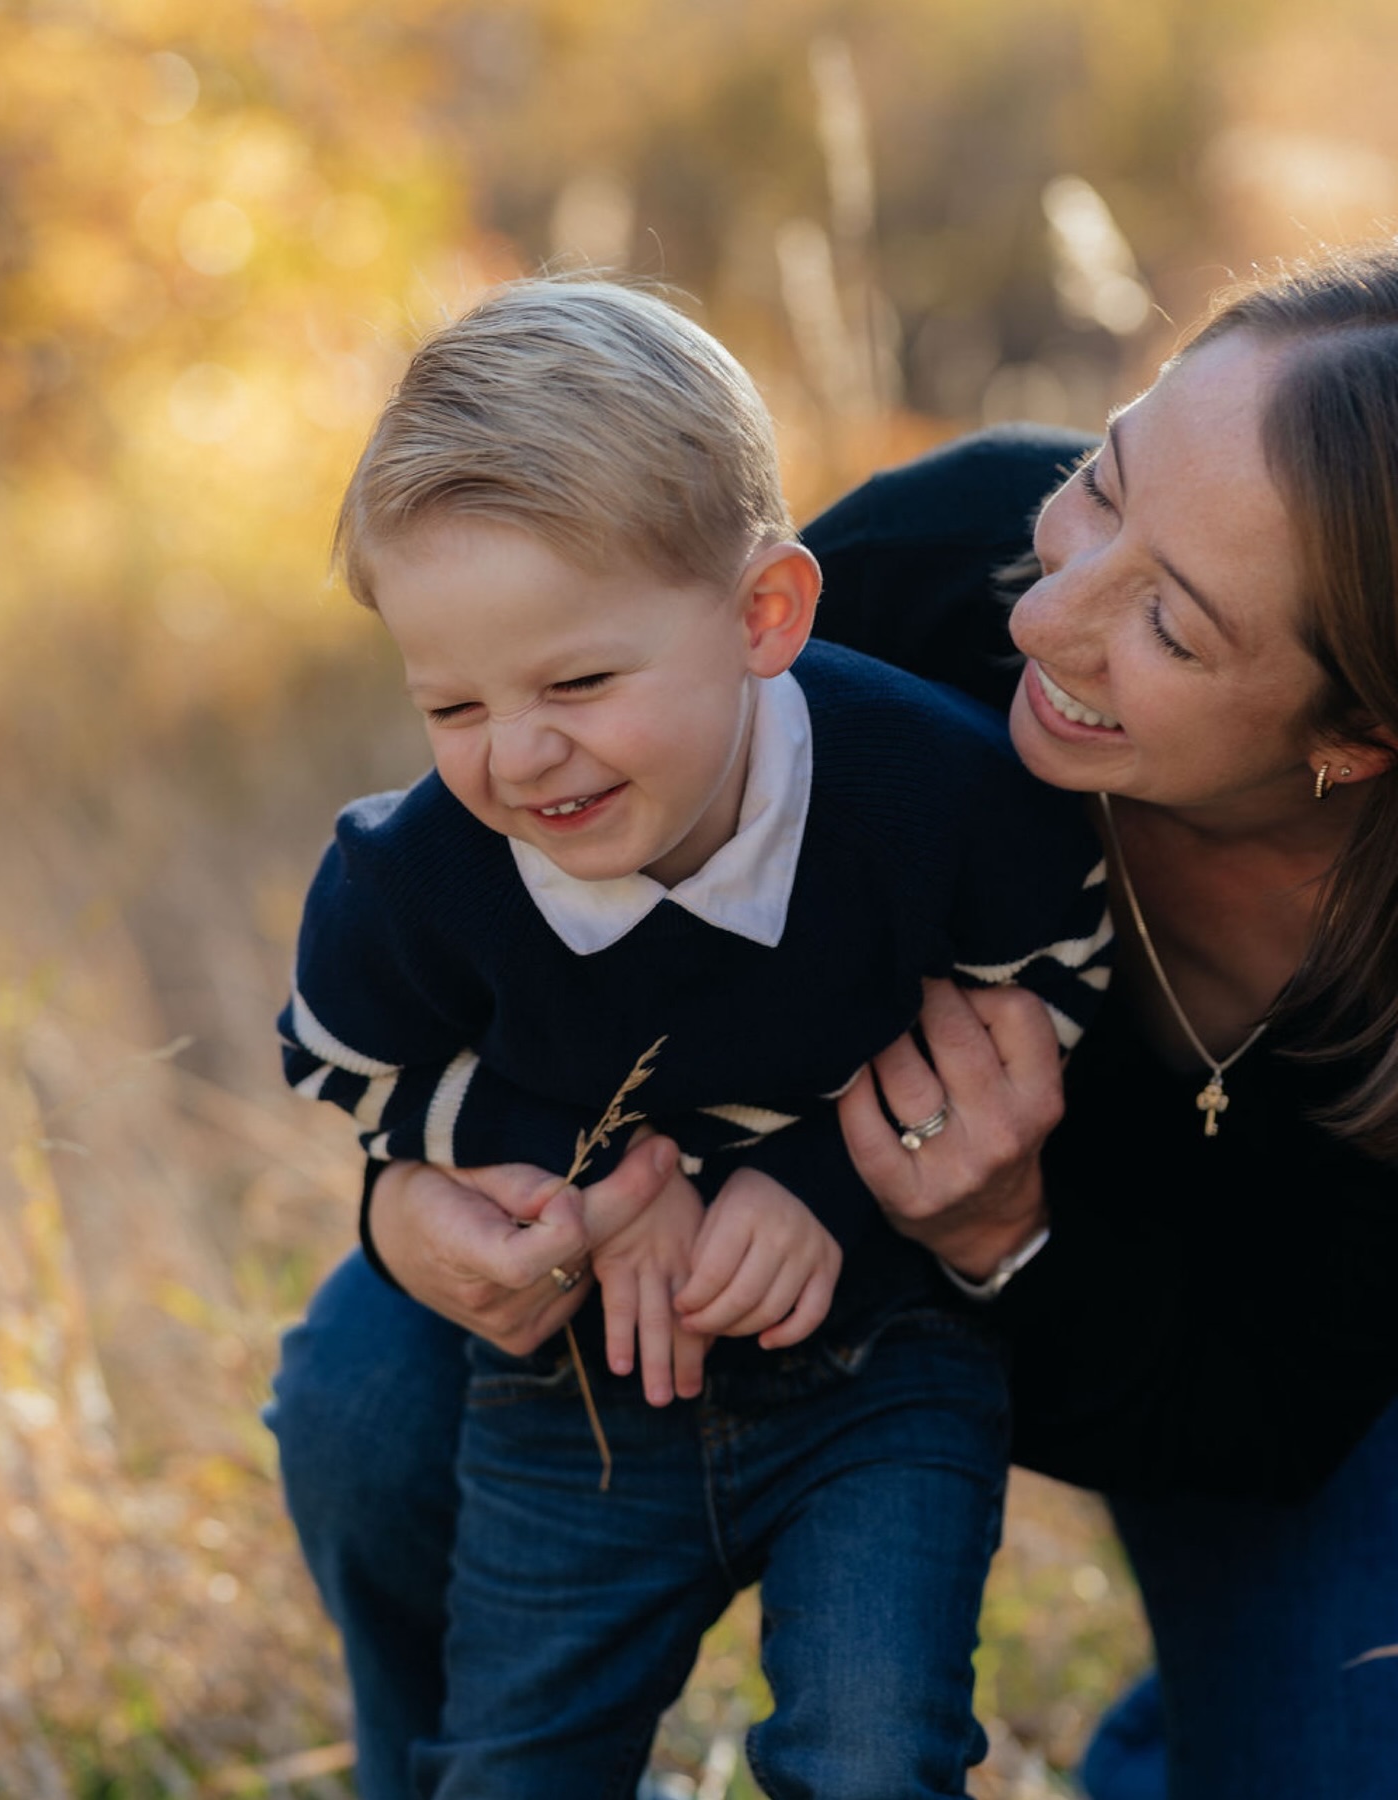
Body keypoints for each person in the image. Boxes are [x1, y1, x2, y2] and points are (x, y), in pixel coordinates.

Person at [268, 242, 1398, 1800]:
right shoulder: (926, 568)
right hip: (674, 1233)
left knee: (1337, 1756)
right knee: (365, 1401)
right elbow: (496, 895)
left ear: (1359, 731)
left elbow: (1261, 1410)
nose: (1048, 613)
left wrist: (993, 1235)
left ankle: (1178, 1738)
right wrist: (413, 1201)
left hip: (1198, 1374)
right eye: (1106, 482)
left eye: (1175, 628)